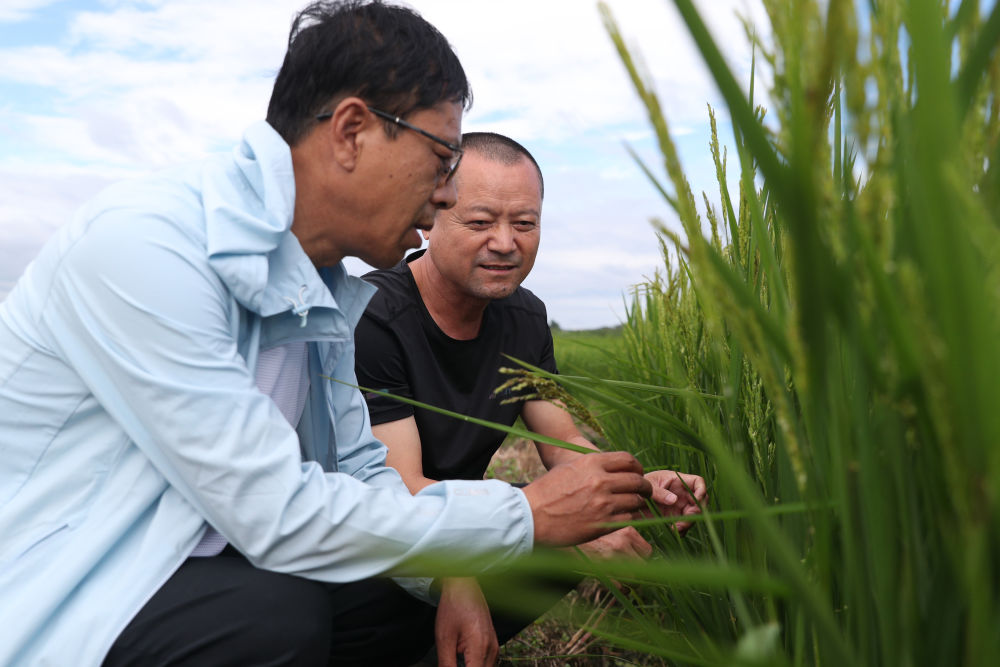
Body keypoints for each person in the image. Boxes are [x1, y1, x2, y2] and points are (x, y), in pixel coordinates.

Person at [0, 3, 664, 665]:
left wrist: (462, 567)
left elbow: (366, 475)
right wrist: (523, 516)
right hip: (76, 587)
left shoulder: (323, 290)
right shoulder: (152, 247)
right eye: (441, 160)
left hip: (217, 565)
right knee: (272, 617)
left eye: (523, 222)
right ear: (351, 131)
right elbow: (274, 512)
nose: (444, 196)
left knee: (454, 569)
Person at [355, 131, 708, 665]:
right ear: (429, 217)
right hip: (373, 545)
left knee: (583, 518)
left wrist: (630, 489)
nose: (505, 242)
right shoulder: (376, 318)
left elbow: (563, 440)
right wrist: (464, 569)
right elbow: (399, 492)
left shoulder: (524, 318)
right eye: (480, 222)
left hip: (468, 525)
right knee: (559, 527)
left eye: (524, 223)